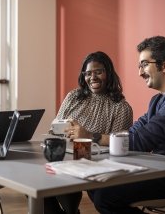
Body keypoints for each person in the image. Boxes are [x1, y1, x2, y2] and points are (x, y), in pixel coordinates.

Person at [88, 36, 165, 214]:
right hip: (163, 170)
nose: (140, 73)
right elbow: (134, 132)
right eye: (139, 66)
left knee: (105, 196)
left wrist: (92, 136)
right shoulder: (158, 100)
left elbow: (143, 140)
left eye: (145, 64)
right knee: (95, 183)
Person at [45, 51, 133, 214]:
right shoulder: (73, 97)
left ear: (109, 73)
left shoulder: (121, 107)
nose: (92, 77)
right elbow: (54, 129)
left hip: (96, 162)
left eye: (98, 72)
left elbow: (118, 148)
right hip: (65, 155)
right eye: (88, 73)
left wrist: (86, 135)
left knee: (60, 178)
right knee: (37, 185)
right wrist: (62, 129)